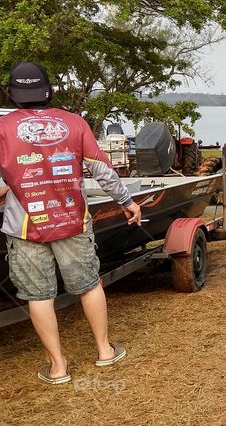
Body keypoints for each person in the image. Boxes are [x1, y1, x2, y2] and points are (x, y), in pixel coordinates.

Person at [0, 62, 141, 385]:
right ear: (49, 91)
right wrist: (127, 202)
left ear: (11, 93)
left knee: (39, 296)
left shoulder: (3, 127)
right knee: (89, 285)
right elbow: (102, 170)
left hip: (24, 229)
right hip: (72, 221)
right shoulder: (74, 122)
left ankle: (58, 368)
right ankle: (104, 351)